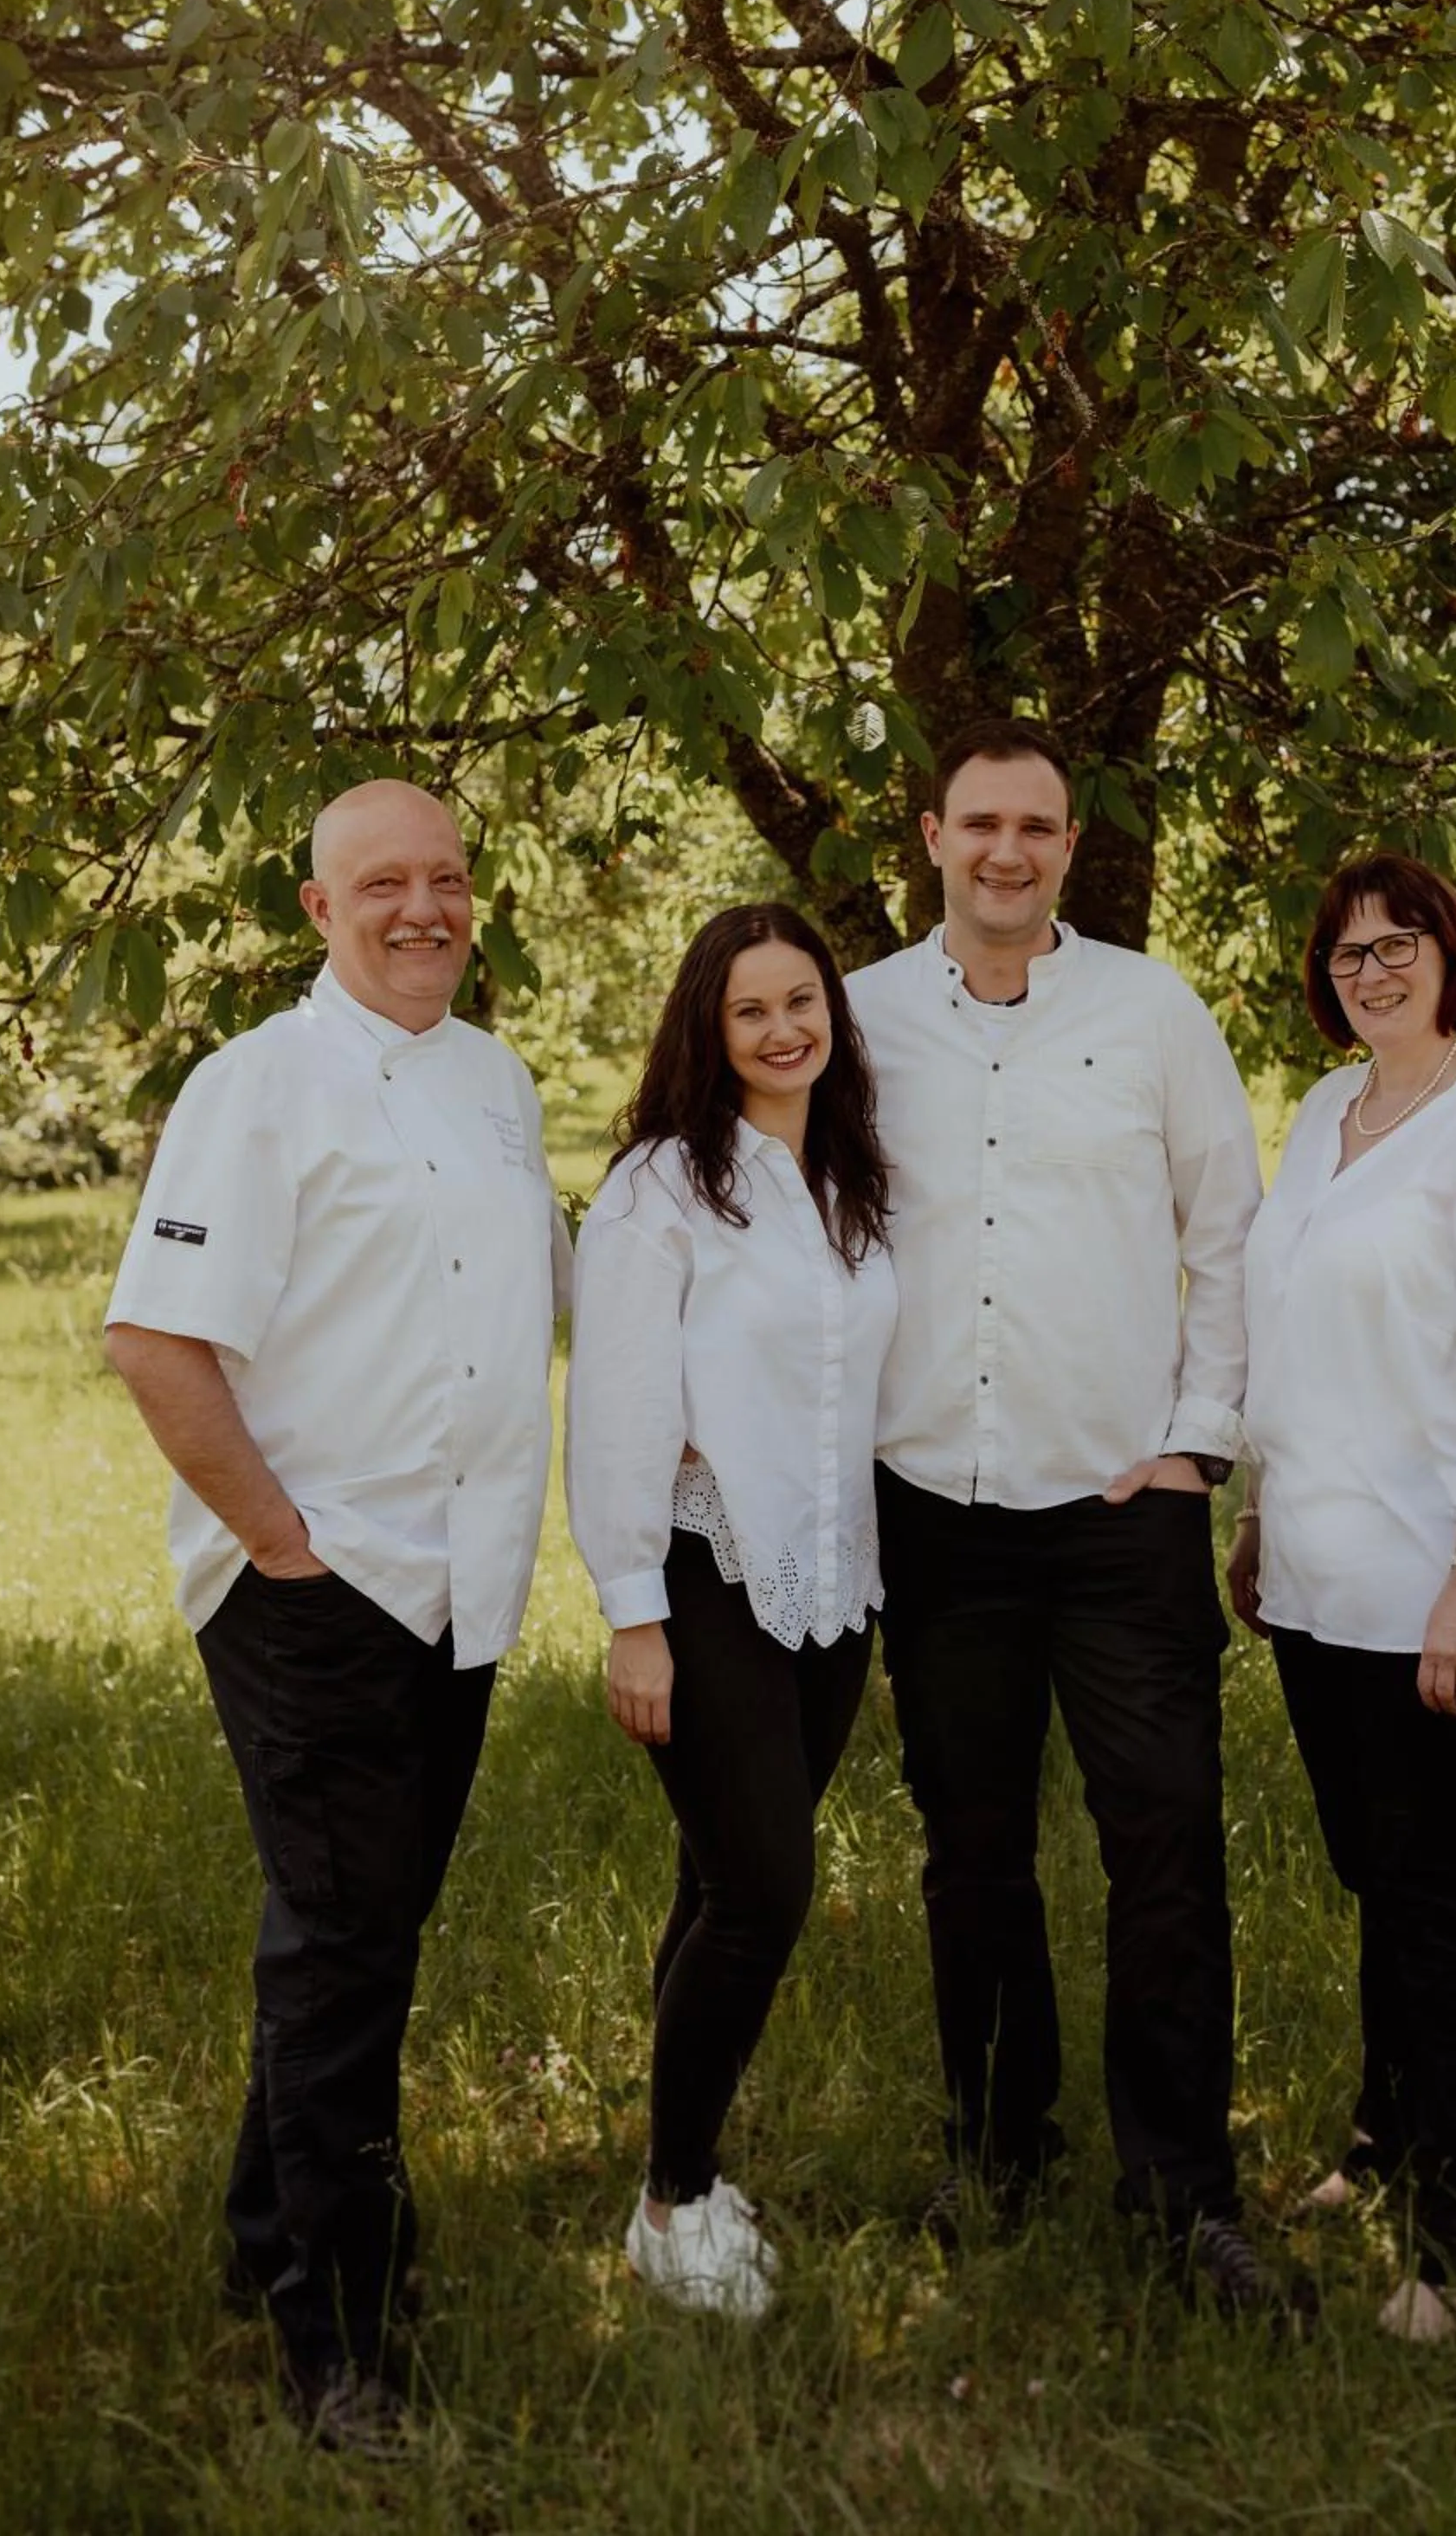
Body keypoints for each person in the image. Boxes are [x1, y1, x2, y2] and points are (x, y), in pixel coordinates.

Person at [102, 778, 569, 2451]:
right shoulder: (257, 1087)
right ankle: (340, 2338)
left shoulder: (498, 1085)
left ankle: (262, 2241)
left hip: (460, 1586)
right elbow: (159, 1341)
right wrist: (285, 1545)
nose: (422, 909)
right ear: (319, 910)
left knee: (359, 1934)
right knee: (347, 1951)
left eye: (447, 878)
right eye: (383, 884)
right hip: (321, 1587)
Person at [849, 718, 1300, 2318]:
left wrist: (1199, 1441)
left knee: (1165, 1845)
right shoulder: (853, 1021)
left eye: (1036, 826)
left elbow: (1229, 1230)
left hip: (1123, 1508)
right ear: (930, 836)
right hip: (936, 1509)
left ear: (1067, 847)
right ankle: (999, 2155)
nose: (1008, 852)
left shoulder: (1152, 1012)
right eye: (980, 822)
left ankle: (1186, 2195)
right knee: (970, 1856)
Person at [1230, 850, 1456, 2344]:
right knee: (1376, 1872)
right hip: (1321, 1580)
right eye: (1349, 953)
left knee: (1444, 1897)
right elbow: (1296, 1336)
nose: (1372, 971)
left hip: (1451, 1586)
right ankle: (1385, 2138)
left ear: (1454, 958)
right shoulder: (1326, 1114)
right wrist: (1257, 1518)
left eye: (1400, 946)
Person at [567, 904, 896, 2320]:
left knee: (718, 1883)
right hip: (702, 1575)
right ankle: (671, 2203)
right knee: (763, 1895)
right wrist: (631, 1609)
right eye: (750, 1008)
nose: (782, 1029)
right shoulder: (662, 1188)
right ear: (709, 1027)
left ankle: (680, 2159)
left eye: (802, 1000)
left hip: (830, 1585)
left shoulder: (850, 1177)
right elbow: (620, 1408)